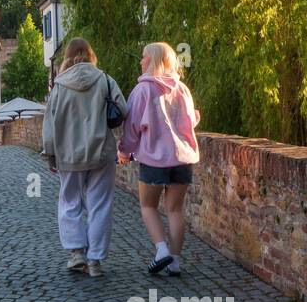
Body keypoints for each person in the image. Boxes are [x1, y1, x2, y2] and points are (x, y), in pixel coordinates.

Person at [41, 37, 128, 278]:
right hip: (101, 151)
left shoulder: (59, 85)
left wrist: (49, 153)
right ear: (91, 54)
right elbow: (123, 109)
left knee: (70, 202)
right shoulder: (105, 80)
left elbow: (49, 123)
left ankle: (76, 253)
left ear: (66, 56)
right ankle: (95, 260)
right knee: (100, 205)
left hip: (69, 154)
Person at [118, 41, 200, 277]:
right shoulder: (182, 89)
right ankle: (175, 261)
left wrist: (124, 151)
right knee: (175, 210)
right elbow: (190, 122)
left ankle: (161, 250)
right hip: (183, 157)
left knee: (148, 206)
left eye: (144, 57)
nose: (141, 61)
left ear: (153, 61)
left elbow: (133, 126)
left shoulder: (143, 90)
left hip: (154, 158)